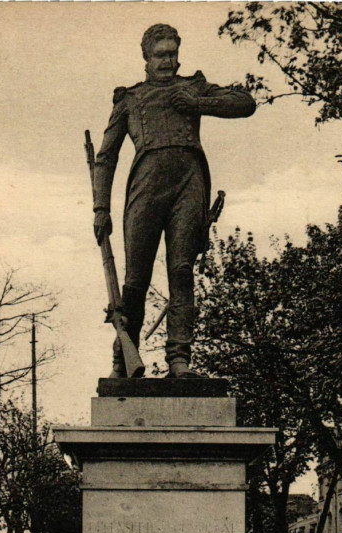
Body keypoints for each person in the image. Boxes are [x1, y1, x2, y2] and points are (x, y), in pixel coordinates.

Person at [93, 23, 256, 378]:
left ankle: (179, 360)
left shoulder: (192, 87)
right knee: (135, 279)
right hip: (145, 188)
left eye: (172, 53)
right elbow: (106, 157)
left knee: (181, 271)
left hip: (189, 183)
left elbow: (245, 103)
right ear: (146, 59)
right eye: (160, 54)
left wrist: (199, 104)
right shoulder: (130, 99)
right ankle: (124, 359)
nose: (167, 61)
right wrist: (100, 207)